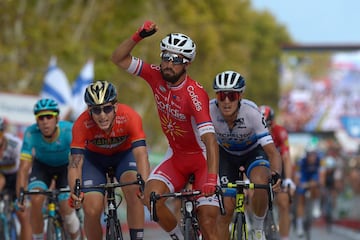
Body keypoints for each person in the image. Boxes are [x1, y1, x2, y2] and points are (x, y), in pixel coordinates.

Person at [111, 20, 221, 240]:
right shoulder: (155, 75)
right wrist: (138, 35)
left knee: (208, 220)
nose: (169, 64)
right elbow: (118, 59)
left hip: (201, 159)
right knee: (149, 198)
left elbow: (210, 140)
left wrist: (211, 177)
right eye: (166, 57)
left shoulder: (194, 94)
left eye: (177, 60)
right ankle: (179, 237)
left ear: (187, 64)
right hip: (176, 157)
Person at [68, 80, 150, 240]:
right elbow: (75, 162)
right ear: (89, 111)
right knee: (91, 209)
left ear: (116, 107)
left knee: (134, 189)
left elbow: (141, 154)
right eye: (97, 110)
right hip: (94, 161)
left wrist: (144, 183)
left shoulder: (130, 116)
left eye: (107, 108)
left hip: (124, 157)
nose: (103, 115)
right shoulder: (81, 123)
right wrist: (74, 191)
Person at [209, 70, 282, 240]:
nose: (226, 101)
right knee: (224, 212)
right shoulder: (209, 111)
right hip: (226, 155)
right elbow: (201, 146)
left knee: (260, 182)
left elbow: (272, 151)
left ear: (240, 96)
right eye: (221, 95)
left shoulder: (252, 113)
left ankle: (257, 228)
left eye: (232, 96)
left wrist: (276, 174)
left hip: (253, 153)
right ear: (216, 96)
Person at [16, 98, 81, 240]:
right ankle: (39, 237)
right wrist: (20, 196)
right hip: (42, 168)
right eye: (41, 118)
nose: (45, 121)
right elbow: (23, 167)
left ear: (57, 118)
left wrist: (77, 185)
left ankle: (77, 237)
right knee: (36, 199)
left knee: (66, 207)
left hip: (65, 167)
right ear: (37, 121)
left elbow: (77, 160)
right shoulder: (30, 133)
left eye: (49, 116)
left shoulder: (69, 130)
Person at [260, 105, 296, 240]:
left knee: (284, 202)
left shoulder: (280, 132)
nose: (266, 129)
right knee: (252, 194)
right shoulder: (252, 131)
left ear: (272, 123)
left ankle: (284, 237)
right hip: (261, 165)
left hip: (278, 166)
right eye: (262, 125)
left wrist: (289, 180)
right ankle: (255, 225)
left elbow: (286, 157)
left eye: (268, 125)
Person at [0, 117, 32, 240]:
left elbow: (23, 172)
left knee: (23, 215)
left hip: (17, 176)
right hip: (2, 176)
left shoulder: (15, 144)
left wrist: (21, 197)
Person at [294, 143, 324, 237]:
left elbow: (322, 177)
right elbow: (296, 178)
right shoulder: (300, 162)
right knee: (301, 201)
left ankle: (316, 206)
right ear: (306, 155)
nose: (312, 157)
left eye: (314, 154)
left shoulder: (320, 161)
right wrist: (300, 185)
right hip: (303, 177)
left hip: (313, 177)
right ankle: (299, 227)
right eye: (310, 154)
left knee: (316, 184)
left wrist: (317, 183)